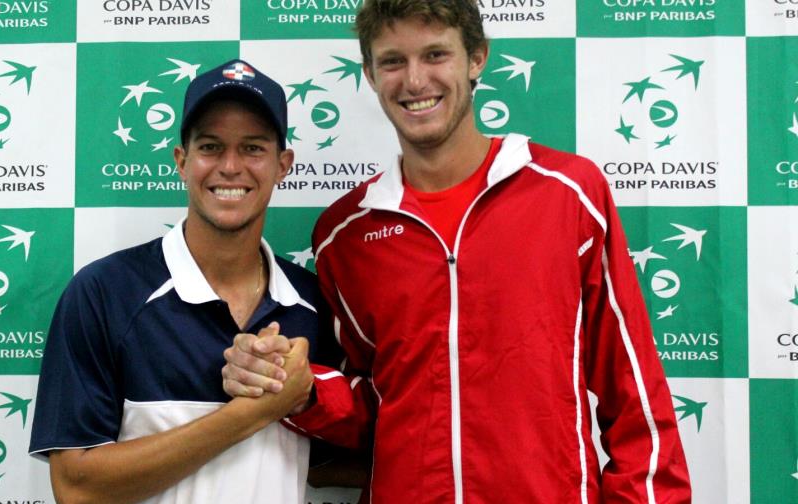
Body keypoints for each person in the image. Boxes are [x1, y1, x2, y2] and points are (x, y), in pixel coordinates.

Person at [221, 1, 692, 502]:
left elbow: (634, 389)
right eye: (393, 61)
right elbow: (373, 402)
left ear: (476, 59)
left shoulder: (568, 193)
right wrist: (302, 387)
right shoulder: (345, 234)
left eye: (435, 55)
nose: (415, 81)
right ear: (370, 74)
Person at [28, 59, 330, 504]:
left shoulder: (314, 302)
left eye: (252, 148)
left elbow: (332, 465)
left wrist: (308, 400)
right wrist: (254, 412)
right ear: (181, 161)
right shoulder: (104, 292)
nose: (231, 167)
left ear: (283, 164)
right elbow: (76, 488)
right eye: (210, 147)